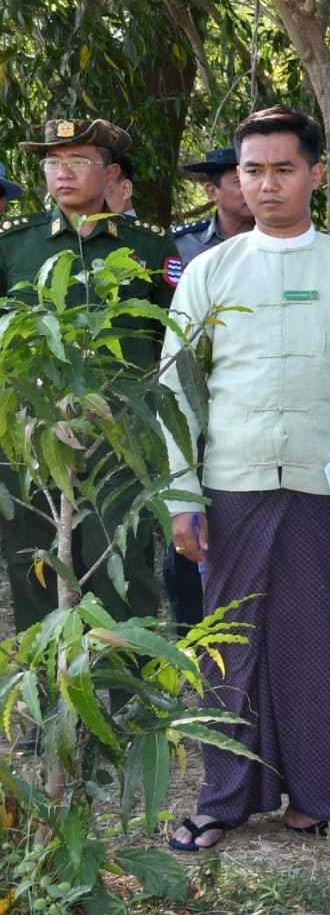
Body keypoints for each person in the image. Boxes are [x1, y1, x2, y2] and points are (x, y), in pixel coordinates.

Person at [160, 105, 330, 849]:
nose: (267, 184)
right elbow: (176, 391)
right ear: (236, 179)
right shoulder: (209, 272)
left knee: (322, 643)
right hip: (230, 483)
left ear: (315, 173)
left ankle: (322, 801)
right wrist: (181, 494)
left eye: (283, 168)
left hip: (324, 488)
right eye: (253, 170)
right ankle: (224, 799)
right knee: (227, 644)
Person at [0, 118, 176, 631]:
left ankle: (126, 678)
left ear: (111, 173)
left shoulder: (149, 246)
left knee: (122, 557)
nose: (63, 172)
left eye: (79, 161)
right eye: (53, 163)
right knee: (33, 559)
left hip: (121, 432)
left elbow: (171, 338)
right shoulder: (13, 244)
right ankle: (48, 676)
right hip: (34, 430)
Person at [164, 145, 256, 631]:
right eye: (239, 179)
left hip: (256, 405)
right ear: (212, 191)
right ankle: (190, 635)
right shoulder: (182, 249)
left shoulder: (292, 246)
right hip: (195, 404)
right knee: (187, 522)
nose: (252, 187)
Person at [171, 146, 256, 265]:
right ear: (212, 192)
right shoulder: (183, 244)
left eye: (254, 182)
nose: (252, 190)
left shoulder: (278, 239)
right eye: (240, 183)